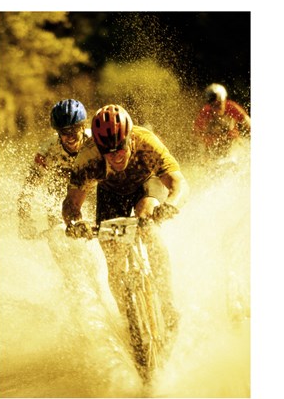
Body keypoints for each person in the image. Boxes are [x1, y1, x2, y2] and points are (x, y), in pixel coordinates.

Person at [62, 104, 190, 336]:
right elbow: (71, 205)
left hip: (145, 185)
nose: (115, 157)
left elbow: (179, 183)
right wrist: (74, 224)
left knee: (146, 219)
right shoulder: (88, 157)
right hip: (111, 194)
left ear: (130, 139)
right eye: (108, 152)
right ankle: (129, 322)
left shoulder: (147, 143)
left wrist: (171, 205)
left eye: (119, 149)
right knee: (113, 259)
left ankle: (168, 305)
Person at [17, 99, 92, 239]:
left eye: (74, 129)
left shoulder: (96, 140)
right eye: (64, 132)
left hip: (92, 183)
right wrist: (24, 221)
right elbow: (28, 189)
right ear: (58, 132)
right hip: (61, 186)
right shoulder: (48, 150)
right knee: (57, 231)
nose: (69, 136)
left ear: (83, 127)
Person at [193, 83, 251, 160]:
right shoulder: (205, 112)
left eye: (219, 104)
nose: (217, 108)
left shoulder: (231, 107)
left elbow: (248, 122)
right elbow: (196, 133)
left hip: (233, 144)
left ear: (224, 100)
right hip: (213, 148)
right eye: (214, 105)